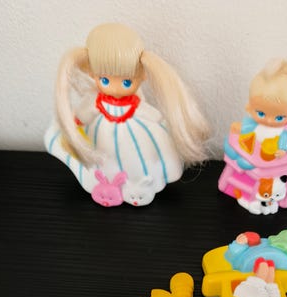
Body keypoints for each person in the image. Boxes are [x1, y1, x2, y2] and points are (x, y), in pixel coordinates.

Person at [46, 23, 210, 205]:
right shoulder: (95, 103)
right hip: (101, 138)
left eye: (126, 82)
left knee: (138, 158)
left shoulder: (136, 106)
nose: (115, 89)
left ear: (142, 75)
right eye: (105, 80)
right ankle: (106, 184)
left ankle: (135, 187)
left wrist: (164, 125)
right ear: (92, 73)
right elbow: (83, 115)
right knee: (103, 159)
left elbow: (153, 116)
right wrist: (76, 123)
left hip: (134, 136)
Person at [229, 58, 287, 162]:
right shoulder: (253, 125)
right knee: (233, 153)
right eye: (261, 113)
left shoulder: (281, 132)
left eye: (279, 117)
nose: (269, 120)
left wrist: (282, 150)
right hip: (251, 154)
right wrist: (238, 128)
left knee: (244, 162)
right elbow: (244, 129)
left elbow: (284, 142)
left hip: (269, 160)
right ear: (249, 107)